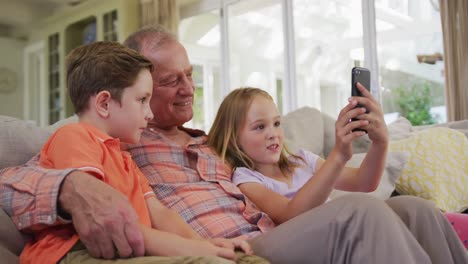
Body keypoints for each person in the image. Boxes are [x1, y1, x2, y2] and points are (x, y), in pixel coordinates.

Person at [1, 25, 467, 264]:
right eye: (168, 83)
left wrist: (369, 142)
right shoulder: (121, 139)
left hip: (264, 236)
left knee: (416, 211)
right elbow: (26, 171)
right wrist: (70, 188)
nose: (188, 90)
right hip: (234, 247)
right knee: (360, 214)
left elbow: (284, 170)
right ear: (131, 87)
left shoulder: (215, 142)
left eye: (191, 76)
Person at [20, 41, 254, 264]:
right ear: (103, 103)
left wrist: (208, 244)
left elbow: (159, 214)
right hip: (77, 251)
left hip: (127, 249)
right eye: (142, 100)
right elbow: (113, 224)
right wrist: (200, 251)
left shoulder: (123, 157)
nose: (149, 114)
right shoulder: (73, 137)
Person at [208, 86, 387, 224]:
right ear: (233, 139)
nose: (273, 133)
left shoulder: (303, 160)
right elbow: (290, 214)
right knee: (367, 209)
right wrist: (337, 157)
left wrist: (380, 143)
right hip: (321, 243)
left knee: (409, 207)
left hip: (339, 225)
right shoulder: (246, 180)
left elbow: (363, 182)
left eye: (277, 123)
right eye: (260, 127)